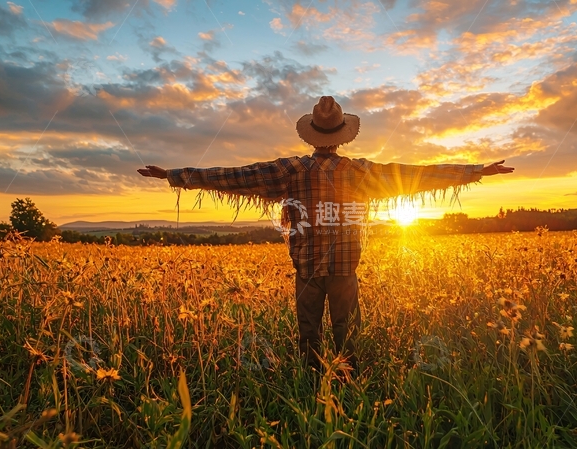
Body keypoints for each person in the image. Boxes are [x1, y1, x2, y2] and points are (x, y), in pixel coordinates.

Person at [138, 96, 515, 373]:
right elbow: (417, 174)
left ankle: (311, 385)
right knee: (347, 336)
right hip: (345, 270)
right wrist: (476, 170)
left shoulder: (288, 170)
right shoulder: (360, 171)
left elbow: (233, 176)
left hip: (306, 270)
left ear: (312, 136)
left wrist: (173, 175)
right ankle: (347, 386)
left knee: (309, 337)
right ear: (341, 137)